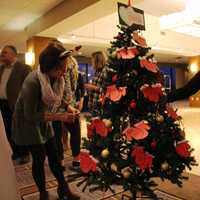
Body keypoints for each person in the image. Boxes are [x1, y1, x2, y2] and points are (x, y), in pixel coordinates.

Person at [12, 44, 80, 200]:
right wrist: (60, 117)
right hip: (27, 123)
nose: (64, 72)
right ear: (49, 67)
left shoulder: (55, 77)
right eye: (61, 68)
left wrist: (68, 107)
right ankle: (43, 193)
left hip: (44, 118)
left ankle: (63, 189)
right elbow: (30, 115)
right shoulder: (32, 82)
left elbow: (57, 97)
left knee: (54, 155)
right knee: (39, 157)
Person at [0, 45, 31, 164]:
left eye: (5, 53)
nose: (2, 54)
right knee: (7, 130)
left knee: (19, 130)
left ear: (14, 54)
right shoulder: (1, 68)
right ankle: (16, 152)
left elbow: (28, 89)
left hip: (17, 105)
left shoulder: (23, 68)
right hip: (2, 104)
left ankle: (24, 154)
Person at [63, 56, 85, 169]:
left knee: (75, 132)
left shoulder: (78, 75)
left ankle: (76, 158)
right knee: (60, 133)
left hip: (73, 105)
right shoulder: (60, 74)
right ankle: (61, 159)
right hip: (61, 106)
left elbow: (82, 90)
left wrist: (80, 102)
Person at [84, 51, 107, 115]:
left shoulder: (105, 71)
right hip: (94, 106)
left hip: (100, 107)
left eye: (92, 61)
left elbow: (107, 91)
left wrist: (93, 87)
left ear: (97, 61)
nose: (92, 63)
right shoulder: (97, 71)